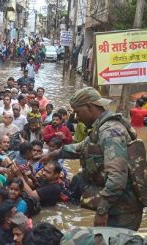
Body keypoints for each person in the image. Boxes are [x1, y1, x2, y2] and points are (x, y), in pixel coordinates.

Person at [40, 87, 144, 231]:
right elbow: (82, 147)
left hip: (123, 207)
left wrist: (102, 209)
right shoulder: (100, 129)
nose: (76, 117)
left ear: (89, 106)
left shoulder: (111, 131)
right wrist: (53, 154)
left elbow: (117, 176)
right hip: (116, 202)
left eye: (77, 112)